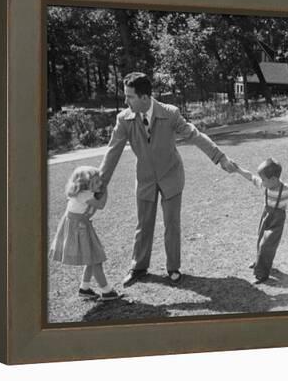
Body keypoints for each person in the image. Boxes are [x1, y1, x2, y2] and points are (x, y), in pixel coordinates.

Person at [99, 72, 237, 286]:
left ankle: (173, 268)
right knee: (143, 225)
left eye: (130, 97)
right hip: (145, 179)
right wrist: (100, 183)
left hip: (171, 176)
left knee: (172, 224)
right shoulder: (124, 119)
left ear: (144, 97)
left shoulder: (170, 113)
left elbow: (195, 135)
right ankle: (138, 267)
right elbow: (112, 152)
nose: (126, 101)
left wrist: (220, 158)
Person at [49, 166, 121, 301]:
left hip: (81, 225)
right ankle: (107, 291)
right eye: (96, 182)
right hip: (79, 228)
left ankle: (85, 288)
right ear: (85, 184)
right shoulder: (84, 194)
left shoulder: (82, 192)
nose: (100, 183)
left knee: (92, 257)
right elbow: (100, 205)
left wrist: (100, 187)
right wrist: (105, 189)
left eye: (100, 181)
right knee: (95, 260)